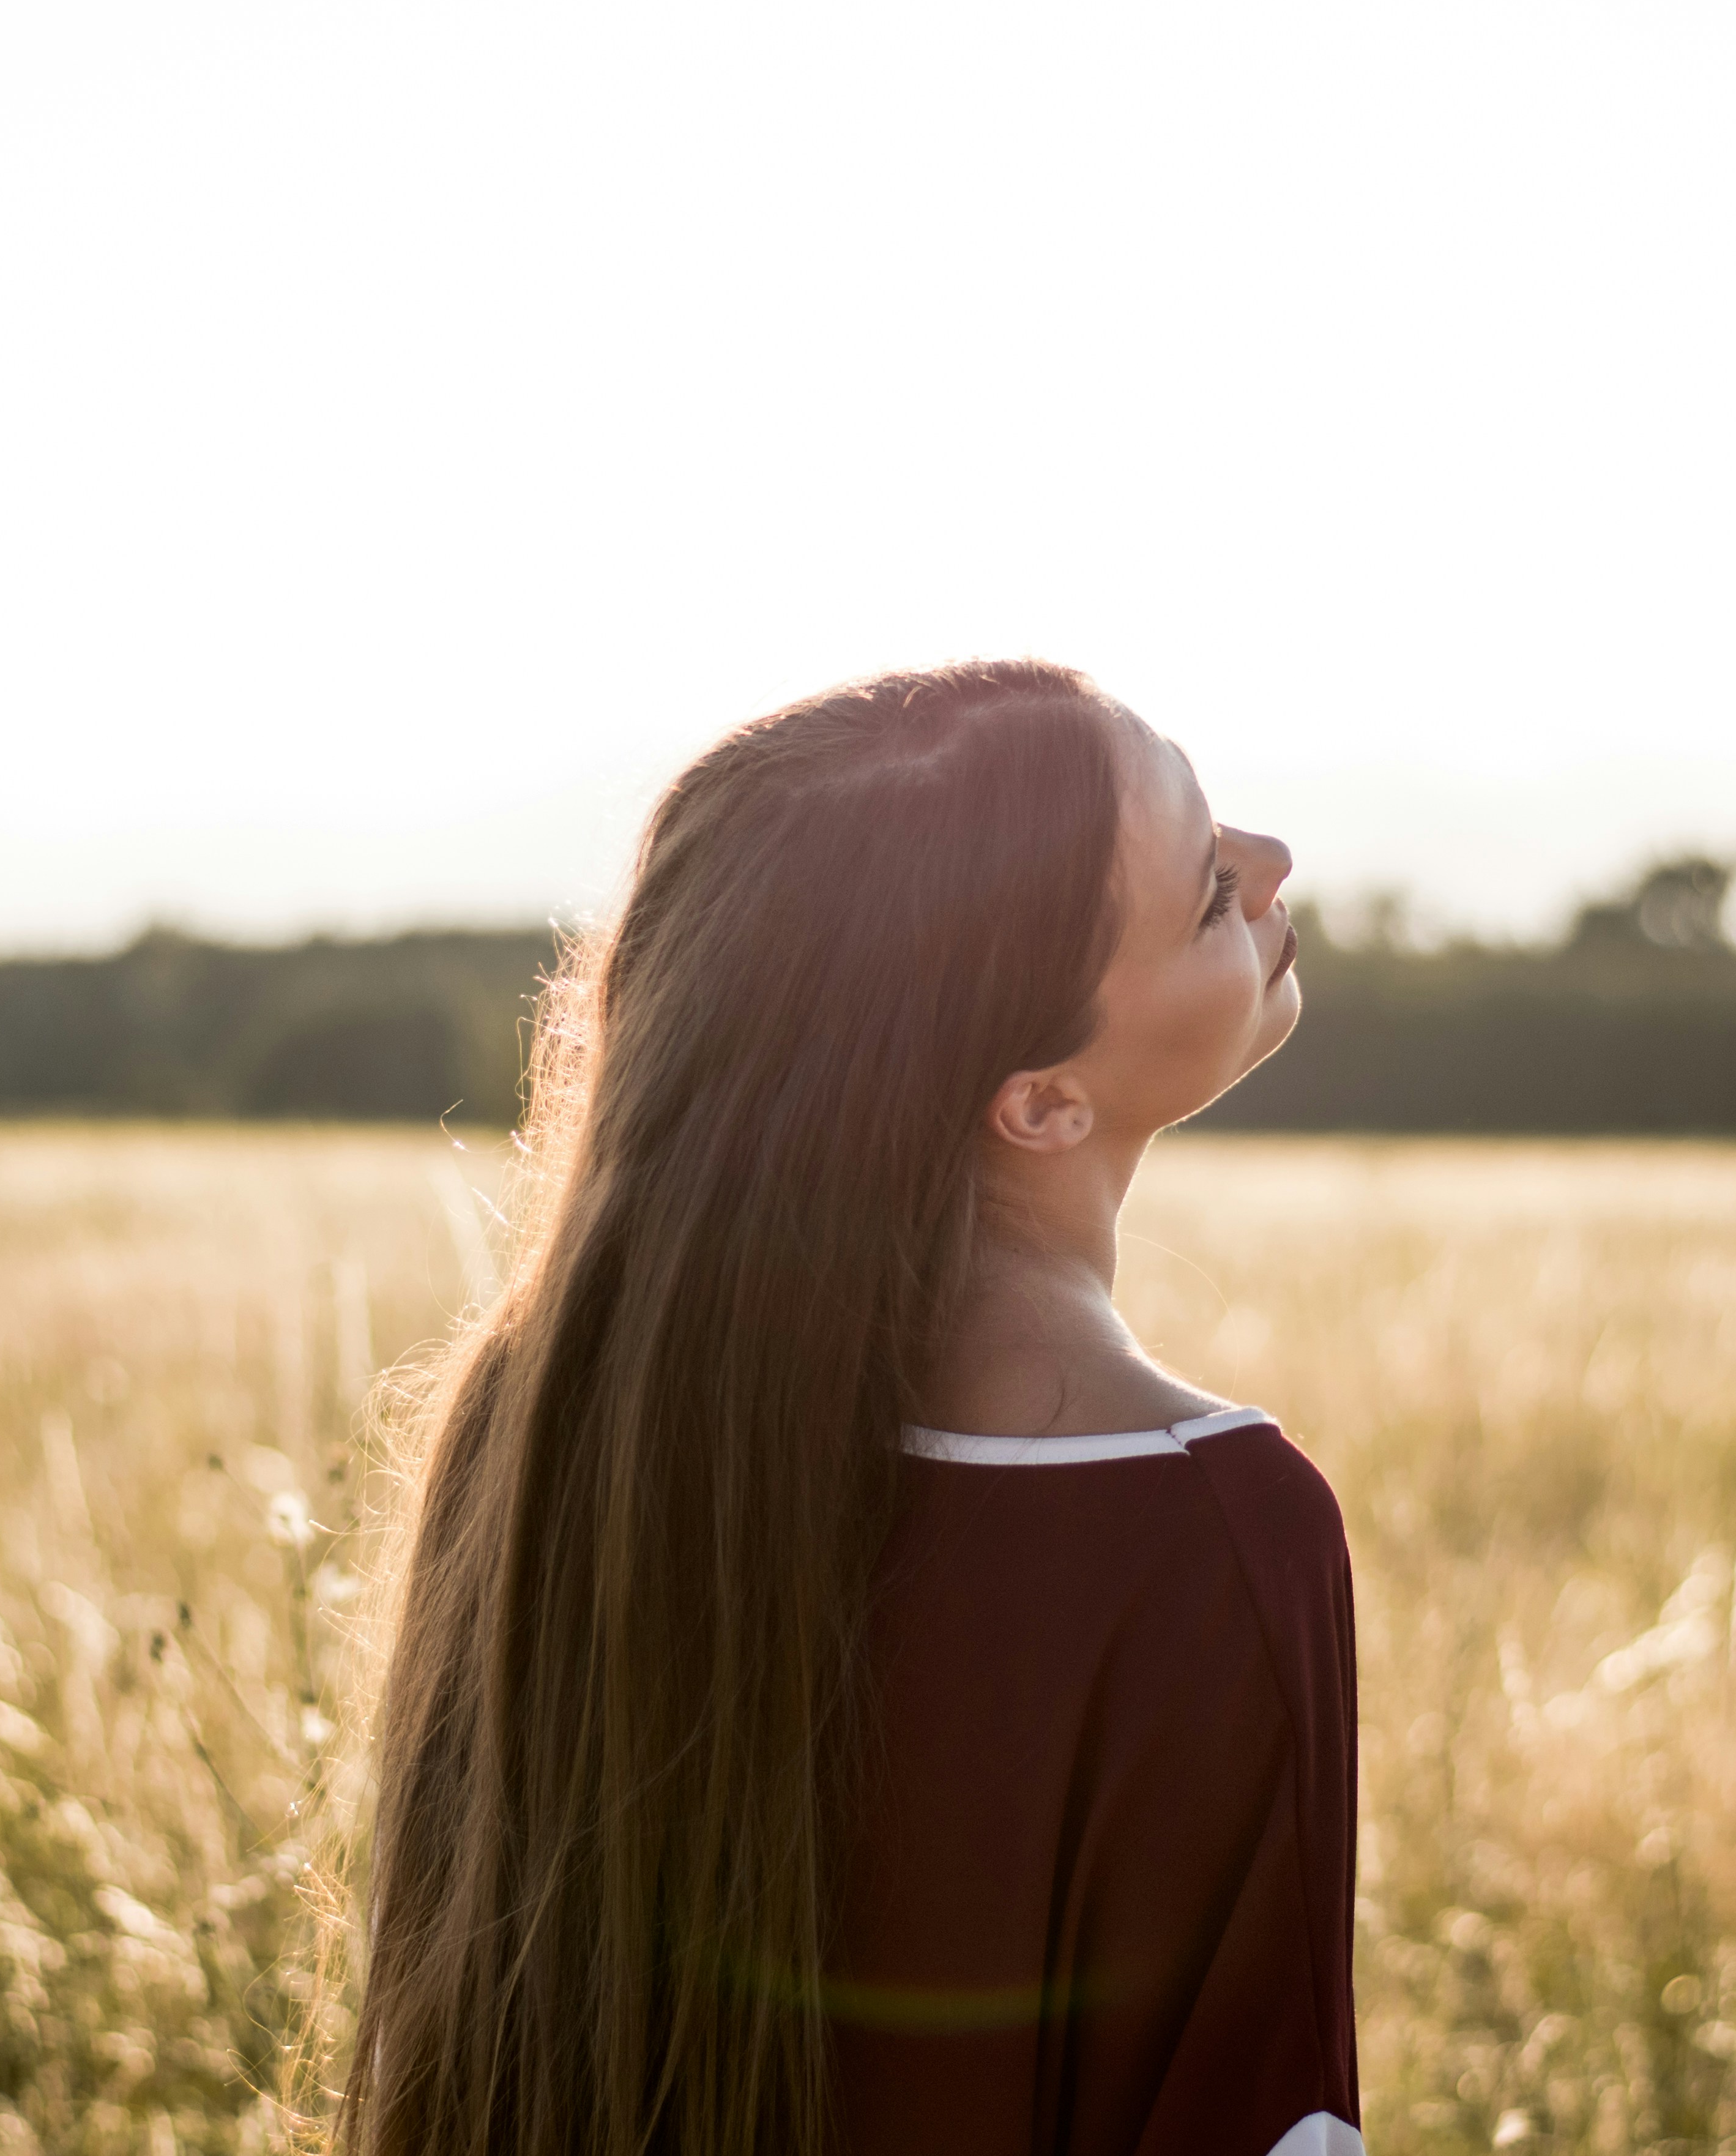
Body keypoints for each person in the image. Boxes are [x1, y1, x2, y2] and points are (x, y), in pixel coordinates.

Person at [342, 660, 1360, 2156]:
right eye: (1208, 888)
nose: (1272, 869)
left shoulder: (546, 1428)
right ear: (1041, 1102)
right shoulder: (1209, 1527)